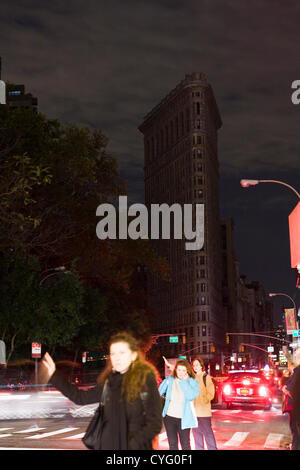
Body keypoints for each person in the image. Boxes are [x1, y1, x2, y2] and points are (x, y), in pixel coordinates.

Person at [39, 331, 162, 450]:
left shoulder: (145, 380)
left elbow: (154, 423)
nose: (117, 358)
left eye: (122, 353)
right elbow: (80, 398)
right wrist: (54, 374)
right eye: (113, 354)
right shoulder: (109, 383)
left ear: (133, 356)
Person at [159, 359, 199, 450]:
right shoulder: (170, 380)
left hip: (184, 419)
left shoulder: (192, 382)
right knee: (172, 445)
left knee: (185, 445)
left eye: (184, 370)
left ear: (188, 371)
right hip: (169, 418)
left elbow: (191, 396)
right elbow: (159, 392)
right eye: (179, 370)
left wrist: (184, 382)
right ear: (176, 370)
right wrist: (166, 382)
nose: (181, 372)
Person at [192, 357, 217, 450]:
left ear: (201, 366)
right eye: (194, 365)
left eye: (197, 365)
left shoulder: (206, 377)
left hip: (204, 412)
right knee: (197, 436)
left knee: (208, 434)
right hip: (194, 413)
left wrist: (203, 400)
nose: (195, 367)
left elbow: (211, 394)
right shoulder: (192, 378)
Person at [284, 349, 300, 450]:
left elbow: (293, 390)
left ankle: (294, 446)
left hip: (296, 407)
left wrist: (286, 389)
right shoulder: (296, 371)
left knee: (295, 429)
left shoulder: (298, 371)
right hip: (294, 406)